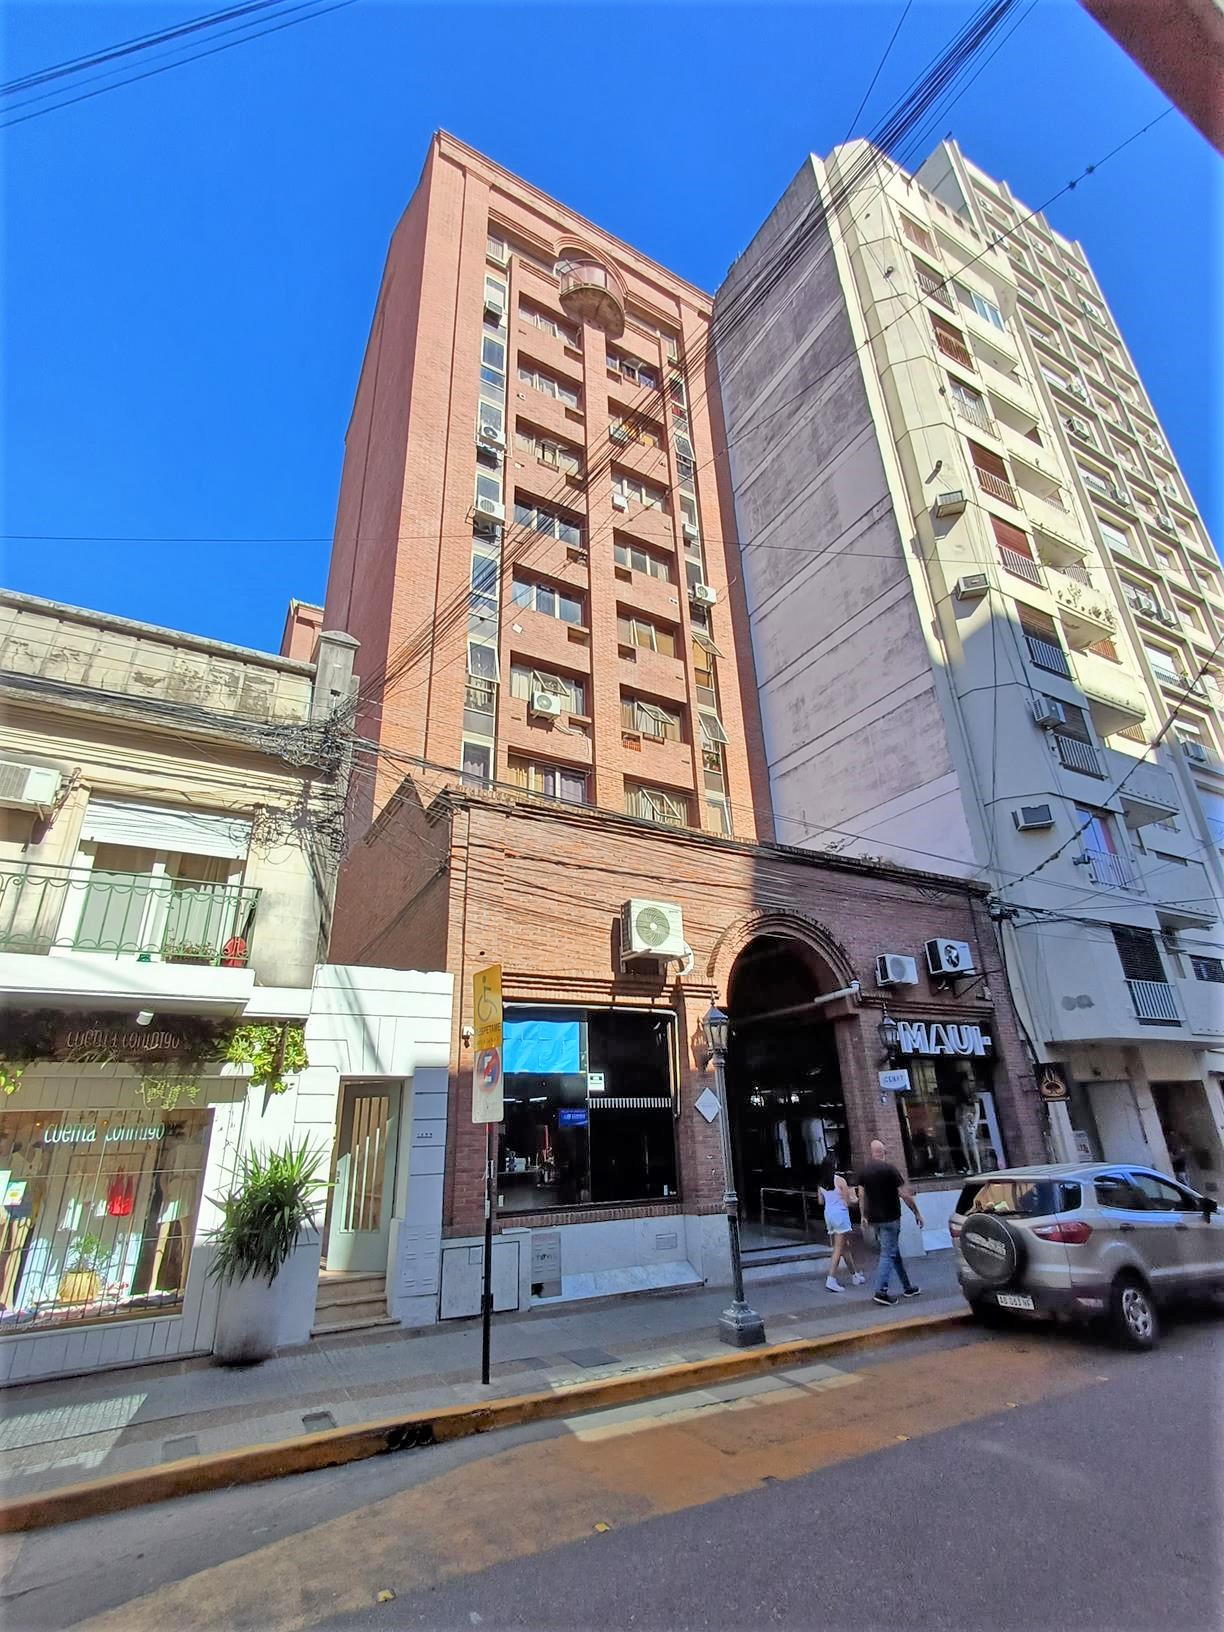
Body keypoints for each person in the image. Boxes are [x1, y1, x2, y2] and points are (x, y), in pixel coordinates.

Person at [857, 1139, 924, 1307]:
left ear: (872, 1152)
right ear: (883, 1152)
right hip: (891, 1218)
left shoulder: (864, 1172)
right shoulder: (890, 1170)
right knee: (888, 1254)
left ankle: (907, 1287)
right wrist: (916, 1213)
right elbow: (904, 1195)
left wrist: (863, 1215)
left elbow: (861, 1195)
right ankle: (881, 1291)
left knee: (893, 1252)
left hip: (875, 1219)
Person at [817, 1156, 865, 1293]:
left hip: (829, 1215)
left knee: (844, 1246)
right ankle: (831, 1278)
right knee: (839, 1248)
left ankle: (854, 1275)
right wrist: (855, 1198)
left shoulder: (821, 1183)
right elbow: (848, 1202)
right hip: (840, 1215)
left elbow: (820, 1201)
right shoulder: (840, 1180)